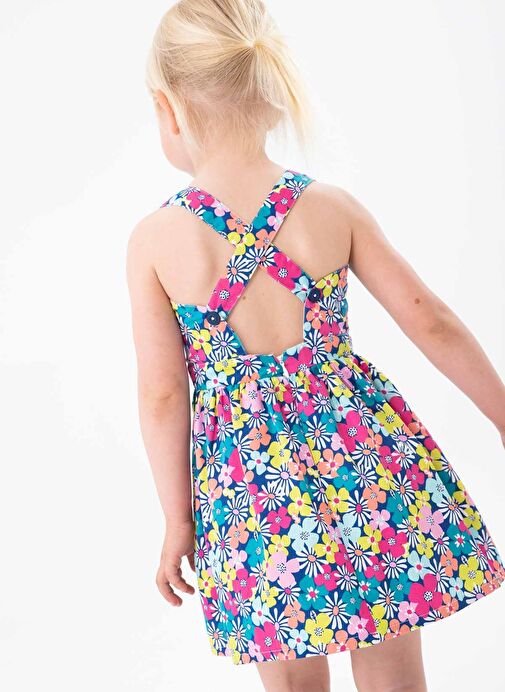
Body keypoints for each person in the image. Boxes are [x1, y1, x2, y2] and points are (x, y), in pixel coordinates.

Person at [126, 1, 505, 690]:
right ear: (272, 93)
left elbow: (161, 395)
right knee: (392, 666)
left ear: (168, 109)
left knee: (294, 681)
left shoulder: (156, 241)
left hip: (251, 490)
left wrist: (177, 519)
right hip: (365, 466)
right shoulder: (331, 209)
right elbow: (430, 320)